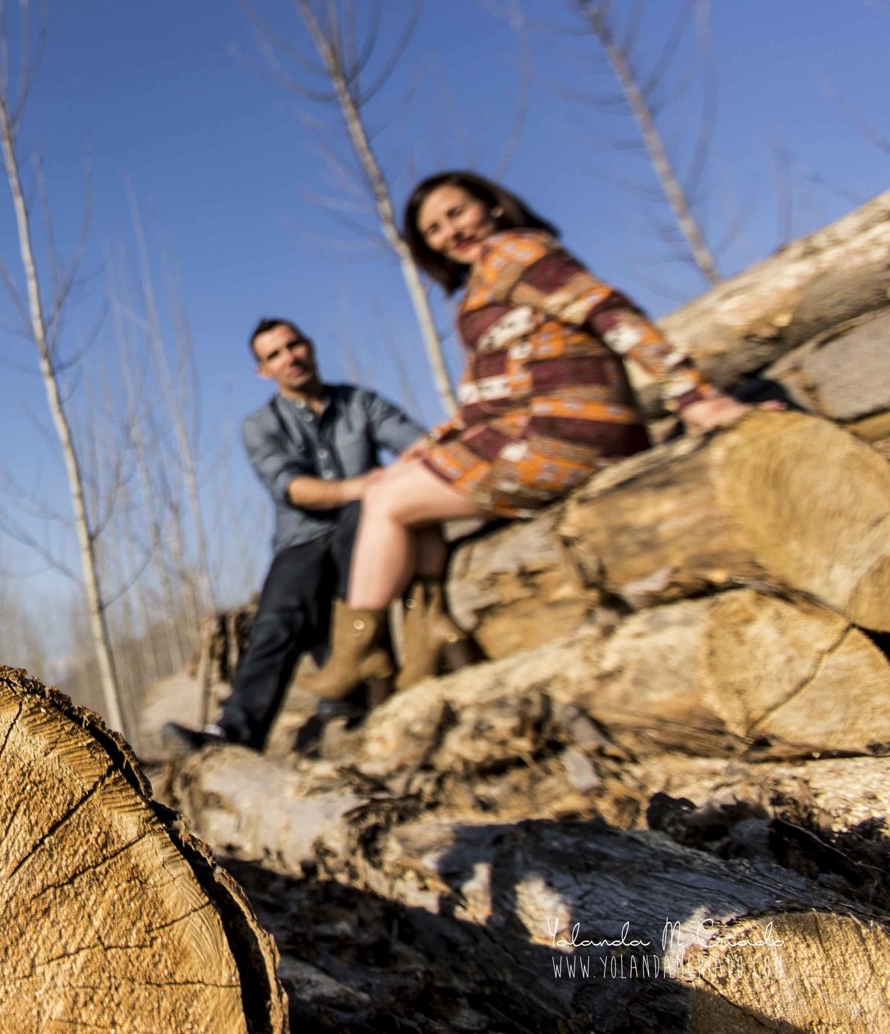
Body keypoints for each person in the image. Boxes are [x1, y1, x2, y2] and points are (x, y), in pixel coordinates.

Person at [307, 171, 767, 699]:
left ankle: (359, 653)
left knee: (384, 501)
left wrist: (694, 396)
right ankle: (428, 631)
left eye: (457, 213)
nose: (450, 233)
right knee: (404, 485)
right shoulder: (481, 283)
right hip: (532, 431)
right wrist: (433, 443)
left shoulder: (517, 253)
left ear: (494, 207)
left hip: (564, 434)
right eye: (433, 230)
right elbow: (483, 398)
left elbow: (608, 311)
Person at [161, 318, 427, 755]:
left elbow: (417, 445)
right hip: (301, 538)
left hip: (366, 526)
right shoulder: (260, 425)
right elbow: (291, 487)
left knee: (363, 528)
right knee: (278, 618)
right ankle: (234, 733)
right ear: (263, 370)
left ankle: (357, 688)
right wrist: (364, 485)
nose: (289, 358)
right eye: (274, 355)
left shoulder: (360, 402)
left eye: (293, 345)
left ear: (309, 345)